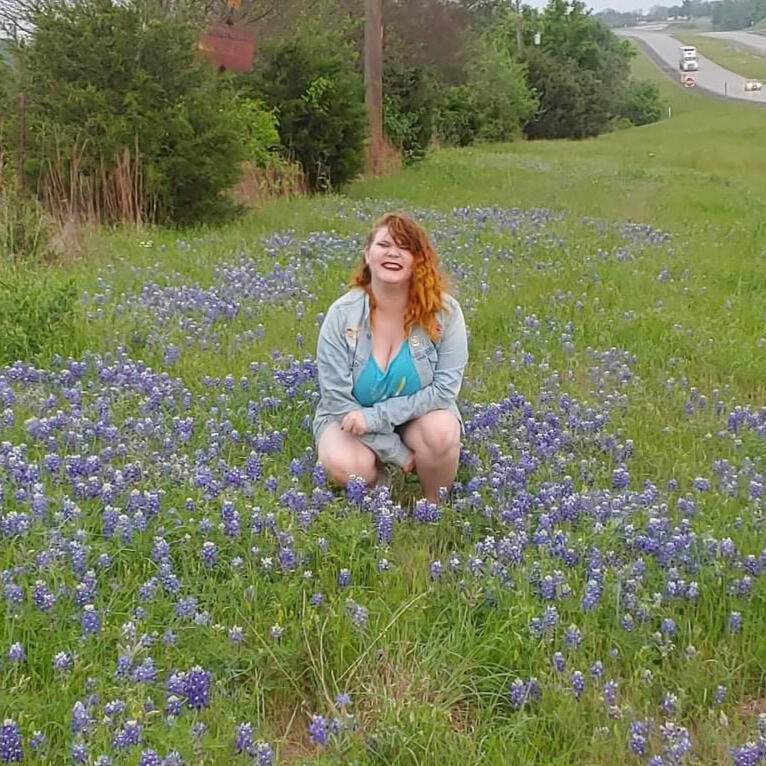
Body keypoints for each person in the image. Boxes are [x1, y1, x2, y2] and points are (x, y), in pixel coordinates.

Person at [313, 211, 468, 503]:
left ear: (417, 260)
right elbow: (335, 398)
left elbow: (445, 390)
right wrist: (395, 452)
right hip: (350, 415)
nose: (393, 253)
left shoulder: (444, 313)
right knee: (346, 465)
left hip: (415, 415)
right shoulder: (341, 315)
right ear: (367, 254)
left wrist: (375, 418)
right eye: (384, 245)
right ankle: (382, 497)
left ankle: (434, 507)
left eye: (405, 247)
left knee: (442, 432)